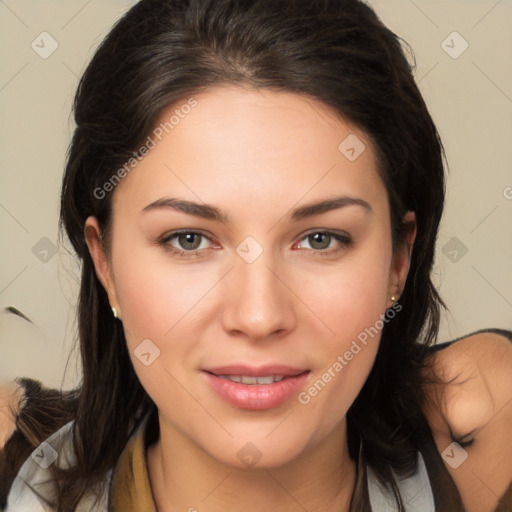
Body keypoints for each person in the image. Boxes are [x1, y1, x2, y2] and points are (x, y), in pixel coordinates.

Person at [0, 0, 511, 511]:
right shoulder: (16, 473)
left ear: (399, 260)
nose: (259, 316)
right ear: (105, 262)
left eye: (320, 239)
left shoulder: (488, 437)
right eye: (189, 239)